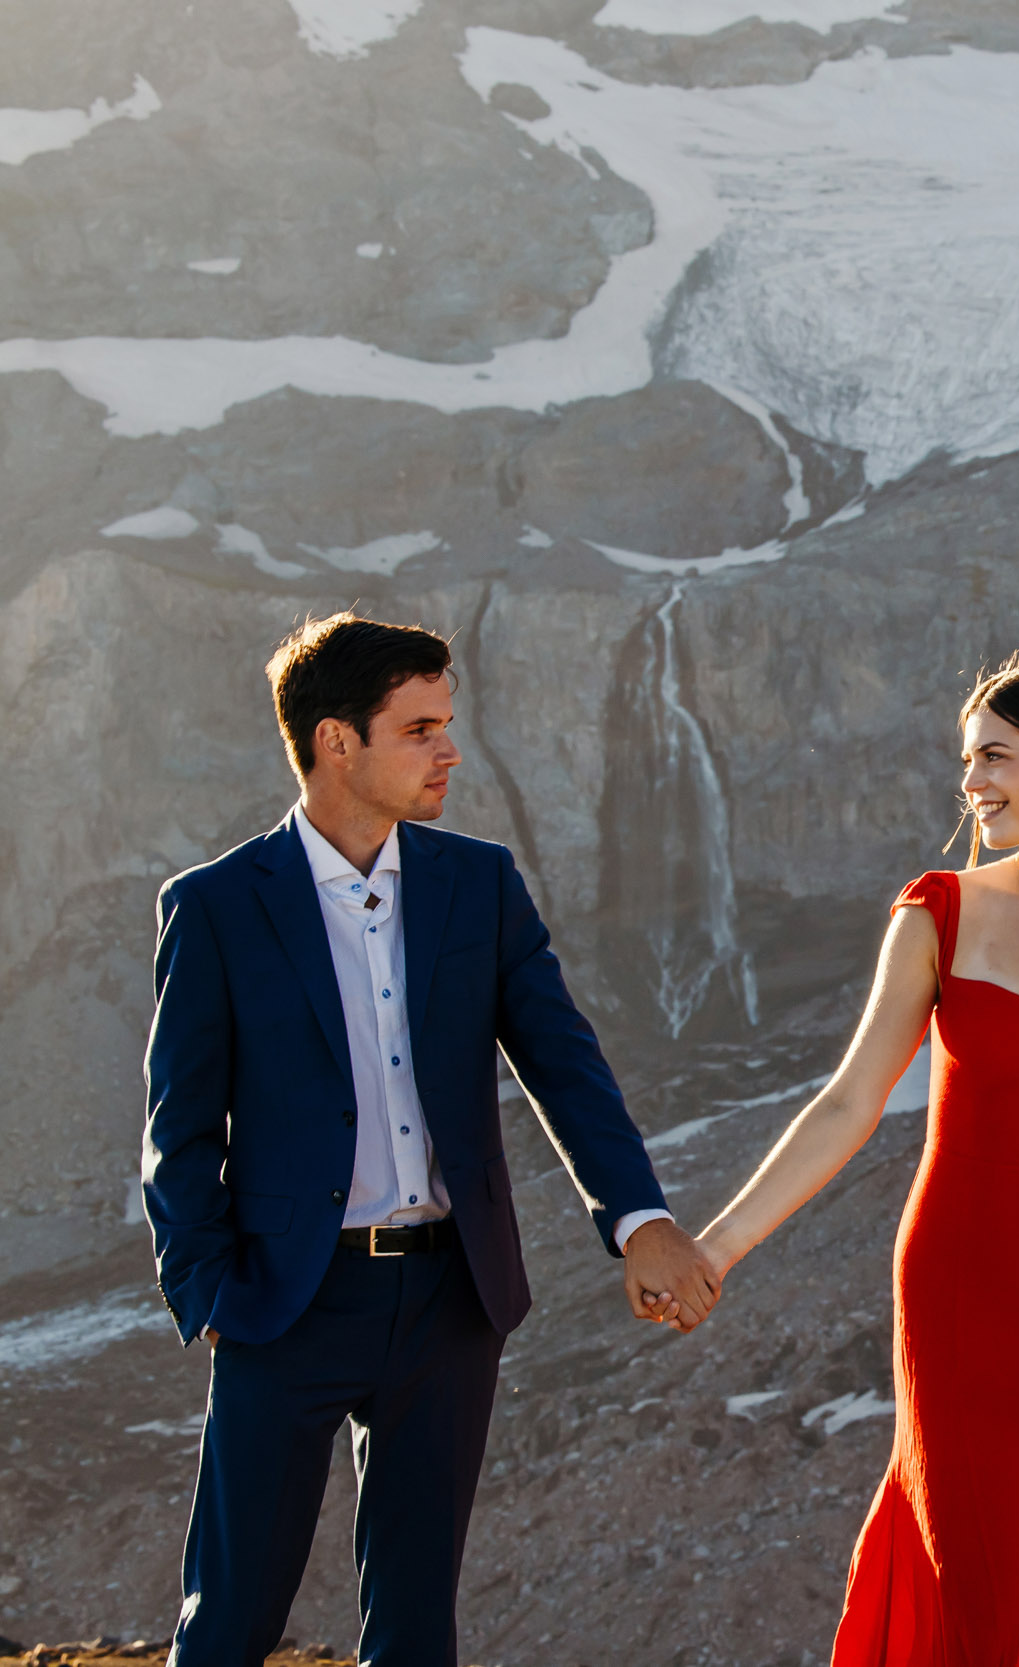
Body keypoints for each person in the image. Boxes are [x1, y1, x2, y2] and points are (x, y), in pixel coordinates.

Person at [142, 612, 719, 1667]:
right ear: (335, 742)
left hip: (452, 1302)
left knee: (416, 1630)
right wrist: (212, 1292)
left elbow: (564, 1064)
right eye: (420, 728)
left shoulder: (478, 883)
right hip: (285, 1304)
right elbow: (178, 1130)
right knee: (228, 1621)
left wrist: (640, 1217)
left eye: (447, 723)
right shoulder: (218, 907)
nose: (450, 748)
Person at [690, 649, 1019, 1665]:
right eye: (965, 762)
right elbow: (848, 1100)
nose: (969, 782)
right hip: (960, 1280)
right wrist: (716, 1248)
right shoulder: (937, 908)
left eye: (994, 757)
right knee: (970, 1570)